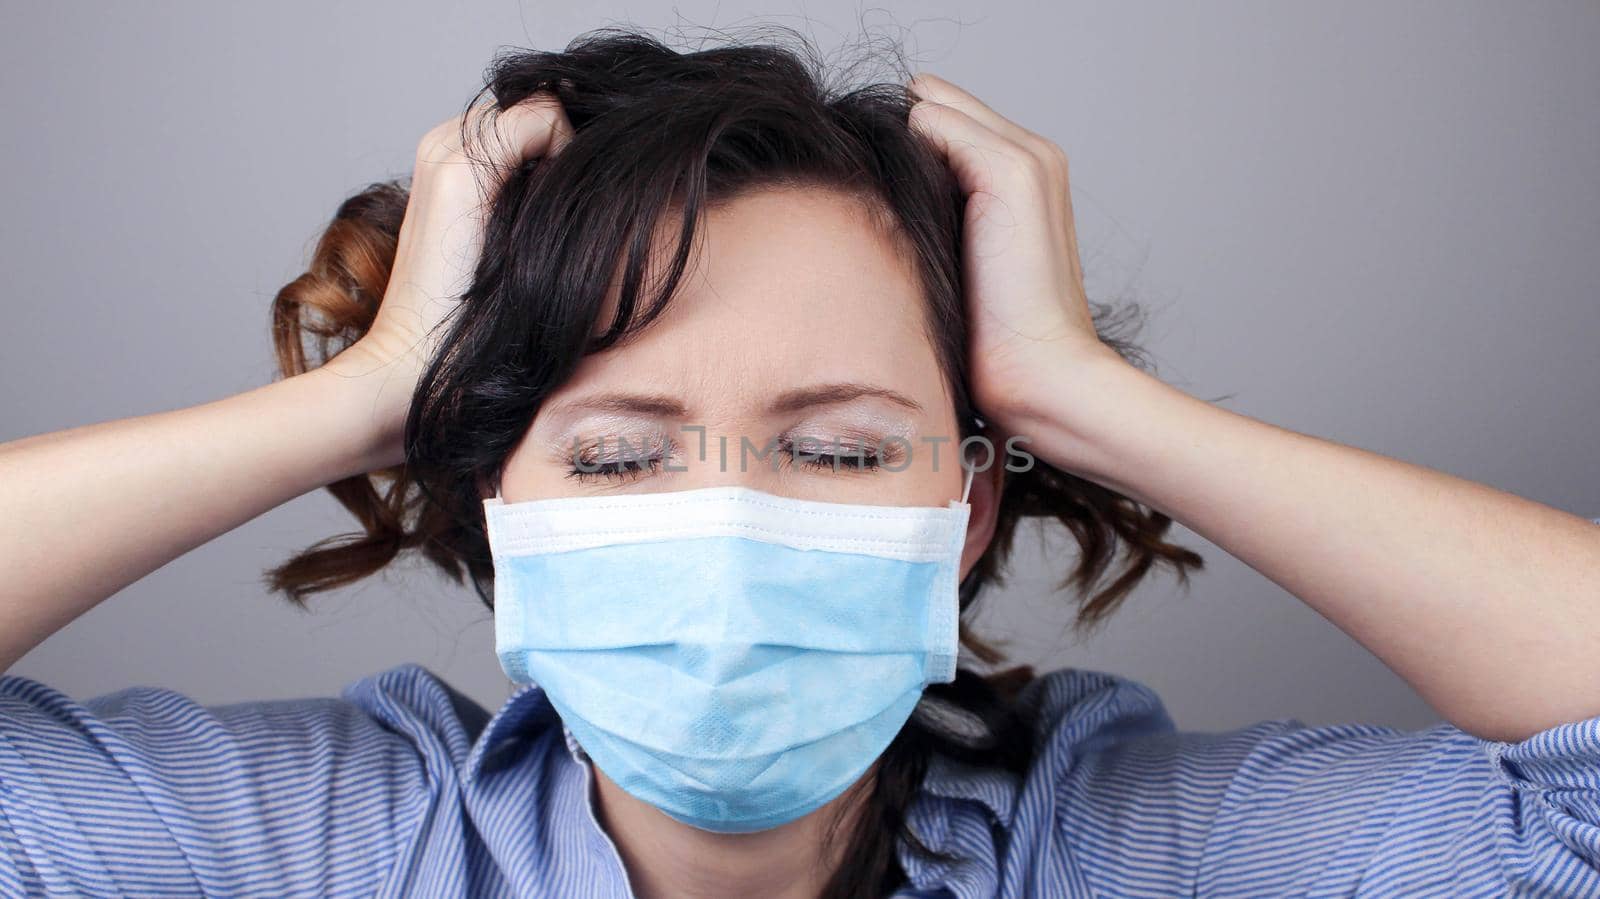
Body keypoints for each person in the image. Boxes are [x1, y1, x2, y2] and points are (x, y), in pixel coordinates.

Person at [1, 26, 1597, 899]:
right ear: (502, 501)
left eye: (836, 445)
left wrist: (1089, 398)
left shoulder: (1122, 853)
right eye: (620, 460)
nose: (727, 523)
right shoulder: (328, 850)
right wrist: (373, 396)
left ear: (967, 505)